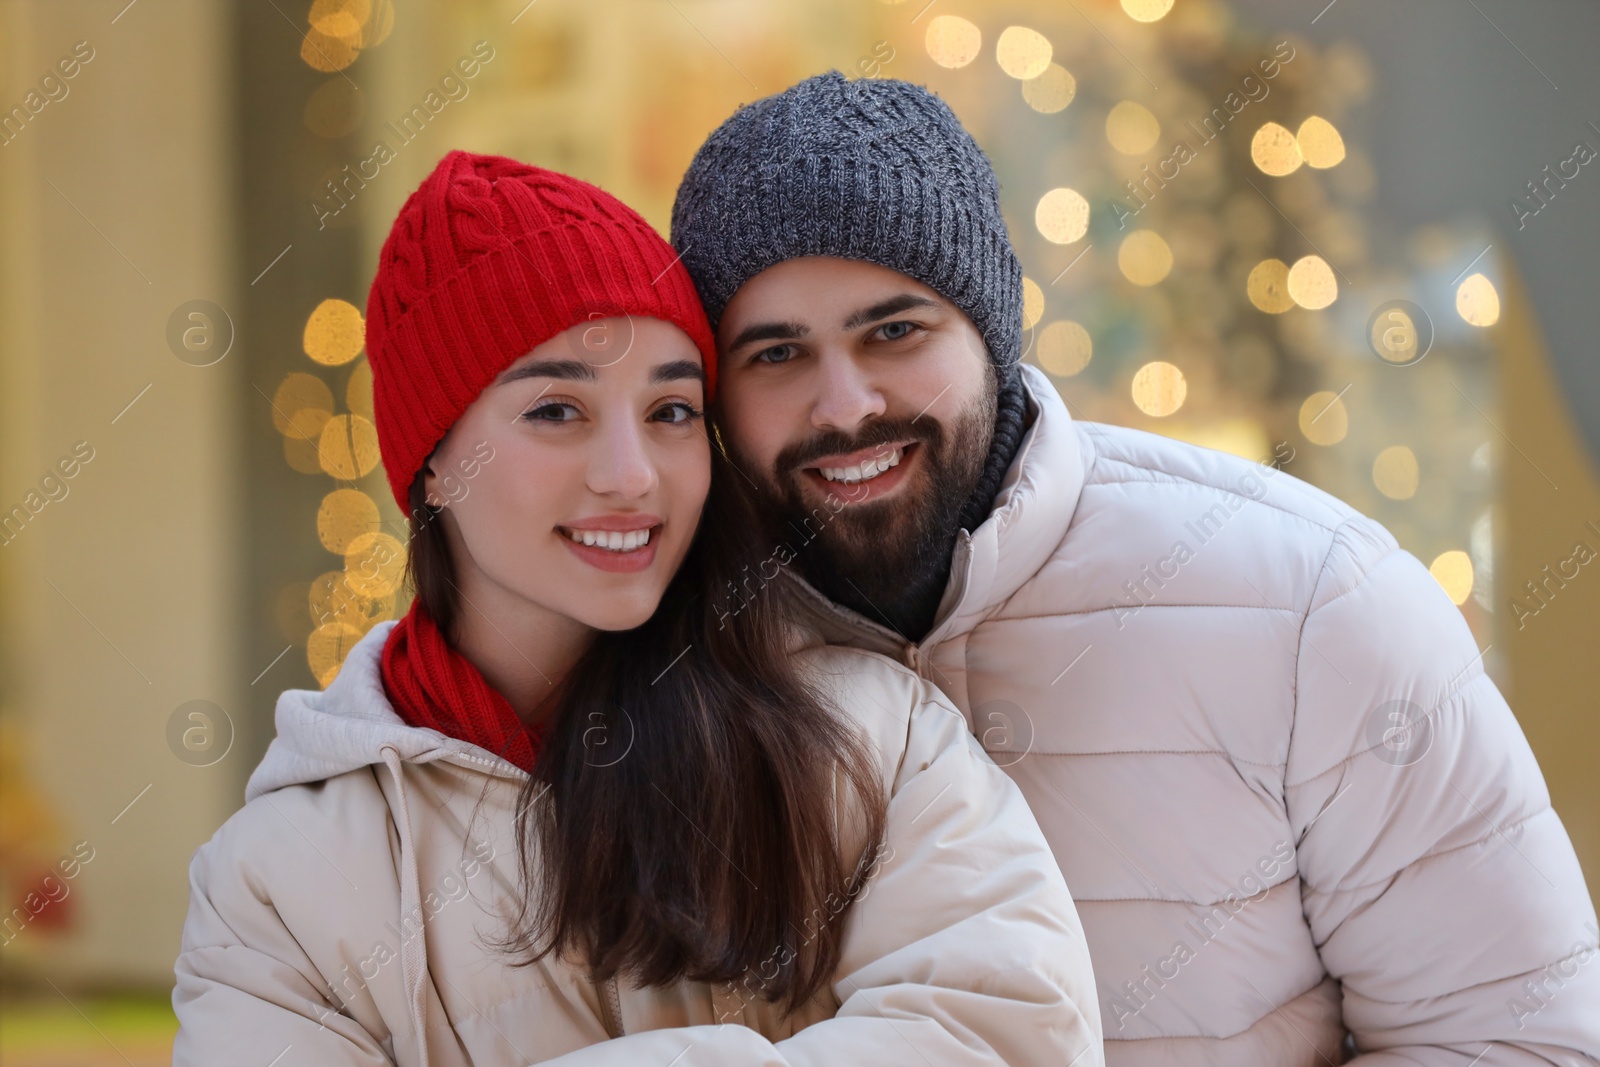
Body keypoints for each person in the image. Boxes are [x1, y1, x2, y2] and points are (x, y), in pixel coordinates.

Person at [668, 71, 1600, 1064]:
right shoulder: (667, 655)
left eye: (894, 331)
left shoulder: (1311, 601)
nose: (844, 404)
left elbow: (1519, 1037)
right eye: (775, 354)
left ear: (989, 327)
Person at [170, 150, 1102, 1067]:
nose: (631, 476)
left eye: (670, 411)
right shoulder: (279, 884)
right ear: (434, 464)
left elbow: (1009, 1031)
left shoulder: (867, 742)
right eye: (556, 411)